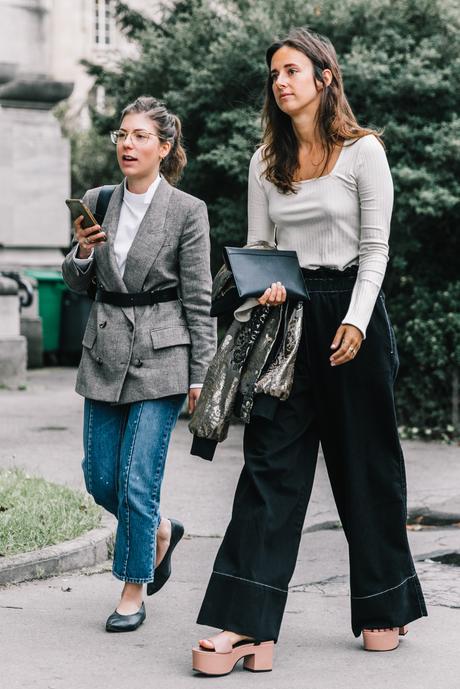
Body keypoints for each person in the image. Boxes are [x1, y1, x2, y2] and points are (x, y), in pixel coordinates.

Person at [191, 28, 426, 675]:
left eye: (291, 70)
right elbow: (261, 246)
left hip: (356, 312)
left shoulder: (363, 153)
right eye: (273, 74)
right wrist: (264, 287)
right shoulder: (265, 159)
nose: (280, 82)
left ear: (325, 76)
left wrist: (353, 319)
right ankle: (247, 624)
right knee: (269, 464)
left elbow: (376, 249)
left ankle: (385, 602)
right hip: (289, 321)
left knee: (367, 466)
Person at [62, 96, 216, 633]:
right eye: (121, 134)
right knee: (100, 478)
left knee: (135, 478)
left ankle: (133, 588)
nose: (128, 144)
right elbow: (78, 282)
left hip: (163, 353)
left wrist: (203, 374)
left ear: (164, 147)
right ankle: (160, 530)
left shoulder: (186, 211)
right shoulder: (97, 200)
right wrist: (81, 253)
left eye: (140, 136)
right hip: (103, 348)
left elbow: (199, 298)